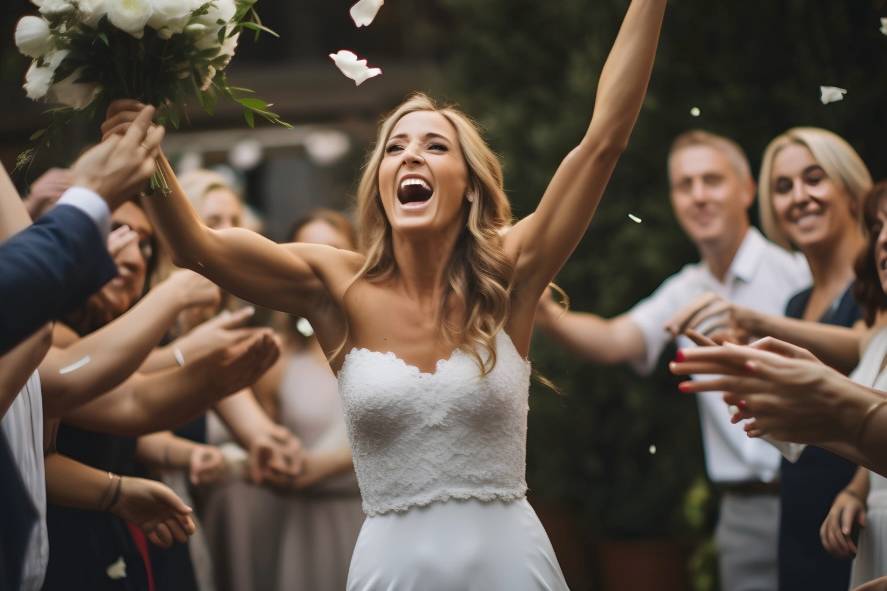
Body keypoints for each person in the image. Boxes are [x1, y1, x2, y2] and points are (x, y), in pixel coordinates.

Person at [104, 0, 666, 587]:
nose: (411, 156)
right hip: (394, 569)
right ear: (379, 181)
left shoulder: (510, 277)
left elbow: (603, 140)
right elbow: (199, 249)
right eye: (395, 147)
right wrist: (145, 152)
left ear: (470, 188)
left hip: (510, 565)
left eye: (435, 146)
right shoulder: (332, 286)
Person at [534, 127, 811, 590]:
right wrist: (544, 313)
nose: (698, 195)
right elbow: (614, 338)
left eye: (711, 180)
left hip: (813, 492)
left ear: (746, 189)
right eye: (685, 185)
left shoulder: (795, 273)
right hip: (740, 515)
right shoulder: (686, 288)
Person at [673, 128, 872, 591]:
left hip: (853, 510)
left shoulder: (873, 288)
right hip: (798, 510)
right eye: (783, 188)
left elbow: (870, 359)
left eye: (814, 179)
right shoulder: (796, 302)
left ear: (850, 189)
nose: (799, 198)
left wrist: (859, 487)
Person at [202, 210, 363, 591]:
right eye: (308, 252)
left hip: (371, 516)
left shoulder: (386, 347)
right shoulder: (278, 359)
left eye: (334, 249)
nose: (321, 263)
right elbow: (266, 445)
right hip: (303, 523)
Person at [0, 105, 162, 356]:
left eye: (144, 244)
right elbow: (124, 393)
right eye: (116, 229)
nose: (134, 259)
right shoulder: (46, 334)